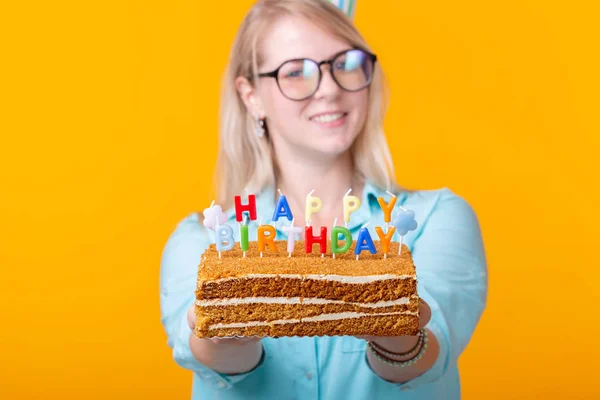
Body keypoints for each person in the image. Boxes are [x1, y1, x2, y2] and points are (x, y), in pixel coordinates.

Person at [160, 0, 487, 398]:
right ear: (251, 96)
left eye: (345, 63)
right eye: (296, 72)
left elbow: (427, 358)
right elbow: (218, 362)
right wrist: (225, 329)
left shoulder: (437, 219)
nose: (330, 89)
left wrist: (392, 326)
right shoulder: (201, 241)